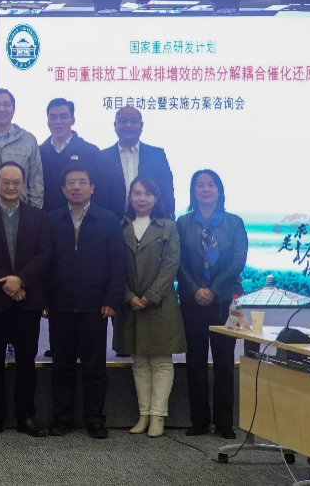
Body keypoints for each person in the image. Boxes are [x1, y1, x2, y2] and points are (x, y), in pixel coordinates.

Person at [0, 161, 51, 438]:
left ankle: (26, 417)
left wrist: (21, 280)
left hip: (28, 300)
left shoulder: (39, 217)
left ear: (24, 184)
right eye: (6, 181)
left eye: (16, 182)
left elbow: (44, 254)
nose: (11, 186)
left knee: (27, 361)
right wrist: (7, 283)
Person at [45, 162, 126, 439]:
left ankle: (94, 419)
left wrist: (112, 298)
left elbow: (118, 263)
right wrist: (45, 299)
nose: (76, 187)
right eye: (71, 182)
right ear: (63, 188)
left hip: (96, 305)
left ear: (92, 187)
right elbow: (44, 262)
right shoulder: (51, 220)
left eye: (82, 182)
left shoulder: (108, 220)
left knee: (95, 366)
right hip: (61, 305)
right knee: (62, 365)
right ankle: (61, 418)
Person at [177, 169, 246, 440]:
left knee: (224, 363)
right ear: (193, 192)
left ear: (219, 190)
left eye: (211, 185)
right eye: (200, 185)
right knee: (195, 362)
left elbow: (238, 261)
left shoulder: (234, 222)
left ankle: (225, 423)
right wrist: (196, 289)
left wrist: (213, 290)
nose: (206, 189)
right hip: (192, 301)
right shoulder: (183, 223)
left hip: (224, 302)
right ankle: (199, 422)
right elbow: (176, 260)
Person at [116, 176, 185, 439]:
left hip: (161, 304)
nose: (141, 198)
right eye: (136, 193)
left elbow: (171, 265)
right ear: (130, 197)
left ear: (156, 198)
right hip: (130, 304)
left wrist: (151, 295)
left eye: (147, 193)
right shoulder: (120, 226)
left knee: (161, 361)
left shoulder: (168, 226)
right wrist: (128, 295)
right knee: (140, 362)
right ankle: (143, 414)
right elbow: (114, 264)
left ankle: (158, 416)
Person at [39, 98, 123, 215]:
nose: (58, 122)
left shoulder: (90, 152)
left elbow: (102, 189)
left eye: (64, 117)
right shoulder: (38, 152)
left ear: (73, 120)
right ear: (48, 121)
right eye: (53, 117)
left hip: (82, 218)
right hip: (45, 217)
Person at [101, 106, 176, 217]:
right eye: (123, 121)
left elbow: (166, 189)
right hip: (112, 221)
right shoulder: (102, 157)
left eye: (134, 121)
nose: (128, 125)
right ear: (115, 126)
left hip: (151, 222)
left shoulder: (156, 155)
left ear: (141, 126)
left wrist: (169, 216)